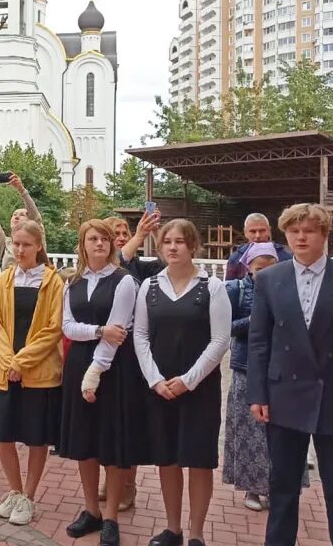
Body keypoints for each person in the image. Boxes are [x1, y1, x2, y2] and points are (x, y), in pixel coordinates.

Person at [249, 204, 333, 546]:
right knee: (282, 486)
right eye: (293, 230)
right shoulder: (269, 278)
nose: (300, 236)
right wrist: (258, 394)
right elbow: (259, 342)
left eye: (308, 230)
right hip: (283, 398)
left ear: (324, 235)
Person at [134, 219, 231, 546]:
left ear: (193, 246)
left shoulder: (212, 287)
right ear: (160, 247)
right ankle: (172, 529)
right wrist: (155, 380)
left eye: (180, 241)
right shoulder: (149, 288)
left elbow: (220, 341)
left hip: (199, 389)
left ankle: (196, 534)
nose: (173, 247)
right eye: (167, 242)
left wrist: (188, 380)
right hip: (160, 389)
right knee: (168, 459)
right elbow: (141, 336)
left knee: (199, 461)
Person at [59, 219, 147, 546]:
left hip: (114, 369)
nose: (99, 244)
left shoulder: (124, 282)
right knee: (84, 442)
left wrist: (94, 373)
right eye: (93, 239)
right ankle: (90, 510)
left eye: (105, 239)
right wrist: (96, 331)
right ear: (82, 245)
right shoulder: (73, 282)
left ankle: (110, 516)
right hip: (79, 363)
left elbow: (118, 331)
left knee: (112, 444)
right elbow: (67, 326)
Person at [0, 220, 64, 527]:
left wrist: (22, 362)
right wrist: (9, 362)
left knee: (36, 437)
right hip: (7, 371)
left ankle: (29, 496)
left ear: (38, 247)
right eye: (15, 244)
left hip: (38, 372)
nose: (20, 249)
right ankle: (15, 491)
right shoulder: (4, 278)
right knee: (3, 436)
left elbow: (53, 328)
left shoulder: (52, 281)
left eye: (26, 244)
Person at [222, 241, 289, 509]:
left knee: (280, 432)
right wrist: (255, 321)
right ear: (248, 266)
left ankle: (278, 487)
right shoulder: (235, 290)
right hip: (245, 368)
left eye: (269, 267)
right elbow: (225, 327)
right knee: (249, 432)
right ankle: (251, 488)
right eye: (259, 267)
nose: (263, 273)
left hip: (282, 369)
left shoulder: (286, 289)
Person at [0, 173, 43, 270]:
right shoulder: (4, 244)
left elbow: (36, 217)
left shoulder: (37, 239)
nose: (17, 217)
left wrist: (21, 189)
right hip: (8, 285)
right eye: (14, 215)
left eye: (22, 215)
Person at [224, 213, 292, 282]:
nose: (258, 236)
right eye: (253, 231)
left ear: (269, 230)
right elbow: (229, 288)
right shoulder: (236, 258)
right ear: (245, 232)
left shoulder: (285, 255)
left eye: (262, 231)